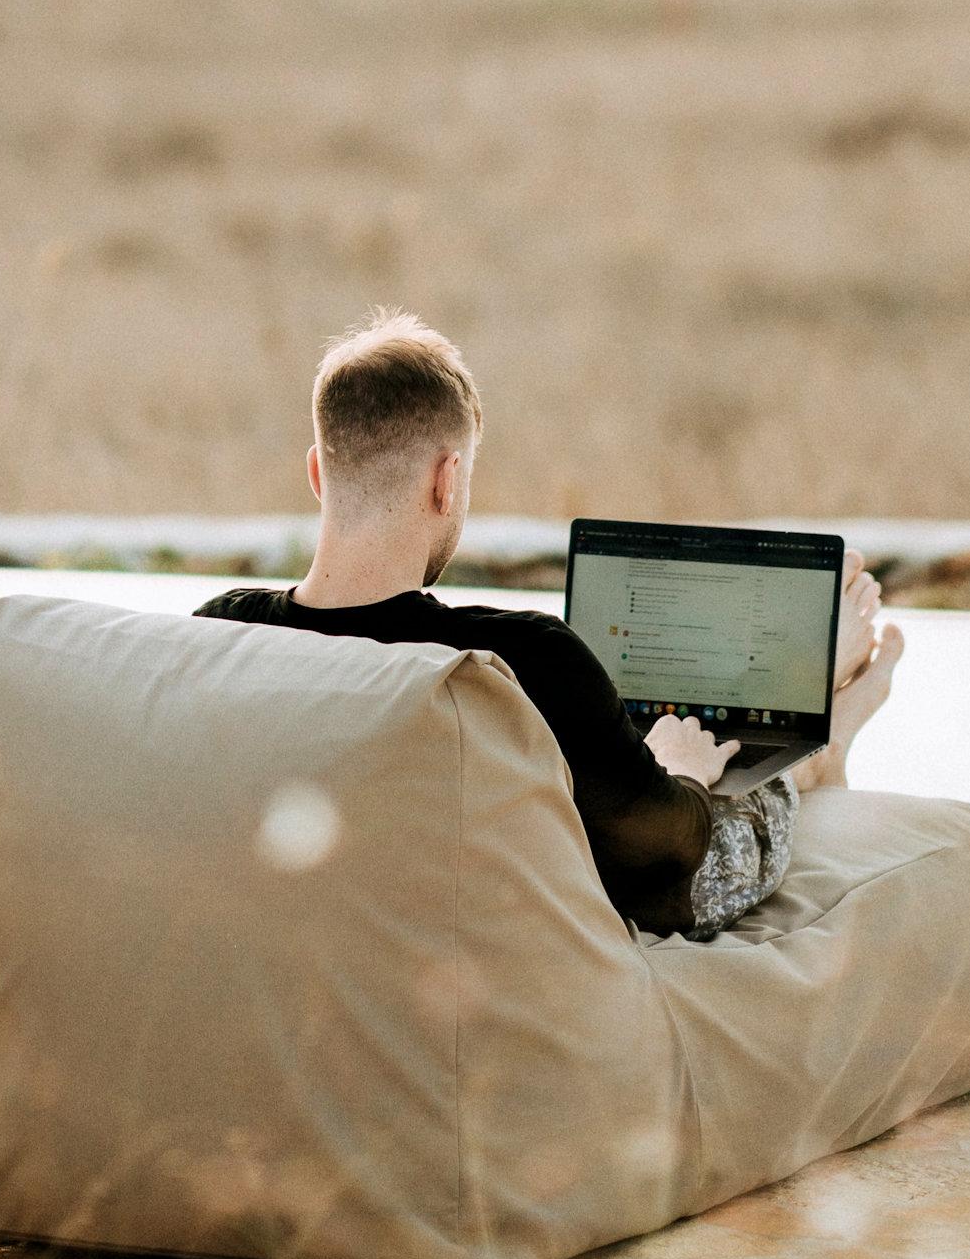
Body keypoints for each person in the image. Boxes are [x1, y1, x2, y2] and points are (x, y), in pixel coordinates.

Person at [196, 309, 905, 937]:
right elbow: (673, 860)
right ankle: (820, 744)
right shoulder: (519, 659)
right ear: (446, 480)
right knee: (727, 825)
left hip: (327, 908)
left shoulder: (222, 633)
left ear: (320, 473)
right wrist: (683, 772)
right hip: (616, 864)